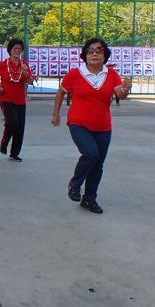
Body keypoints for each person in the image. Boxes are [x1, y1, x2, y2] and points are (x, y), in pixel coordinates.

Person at [51, 38, 132, 214]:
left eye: (99, 50)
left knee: (98, 164)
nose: (94, 53)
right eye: (90, 51)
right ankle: (75, 184)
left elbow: (120, 94)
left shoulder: (111, 74)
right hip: (78, 122)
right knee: (90, 154)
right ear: (85, 55)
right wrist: (56, 114)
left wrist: (126, 89)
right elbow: (60, 93)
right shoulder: (74, 74)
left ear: (105, 55)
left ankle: (89, 199)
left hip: (103, 126)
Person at [0, 38, 34, 162]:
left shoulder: (24, 64)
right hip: (6, 99)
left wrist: (26, 73)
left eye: (19, 49)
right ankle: (4, 143)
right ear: (10, 50)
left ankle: (14, 153)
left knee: (19, 128)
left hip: (20, 100)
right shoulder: (4, 64)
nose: (17, 51)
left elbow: (30, 81)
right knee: (12, 122)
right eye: (15, 48)